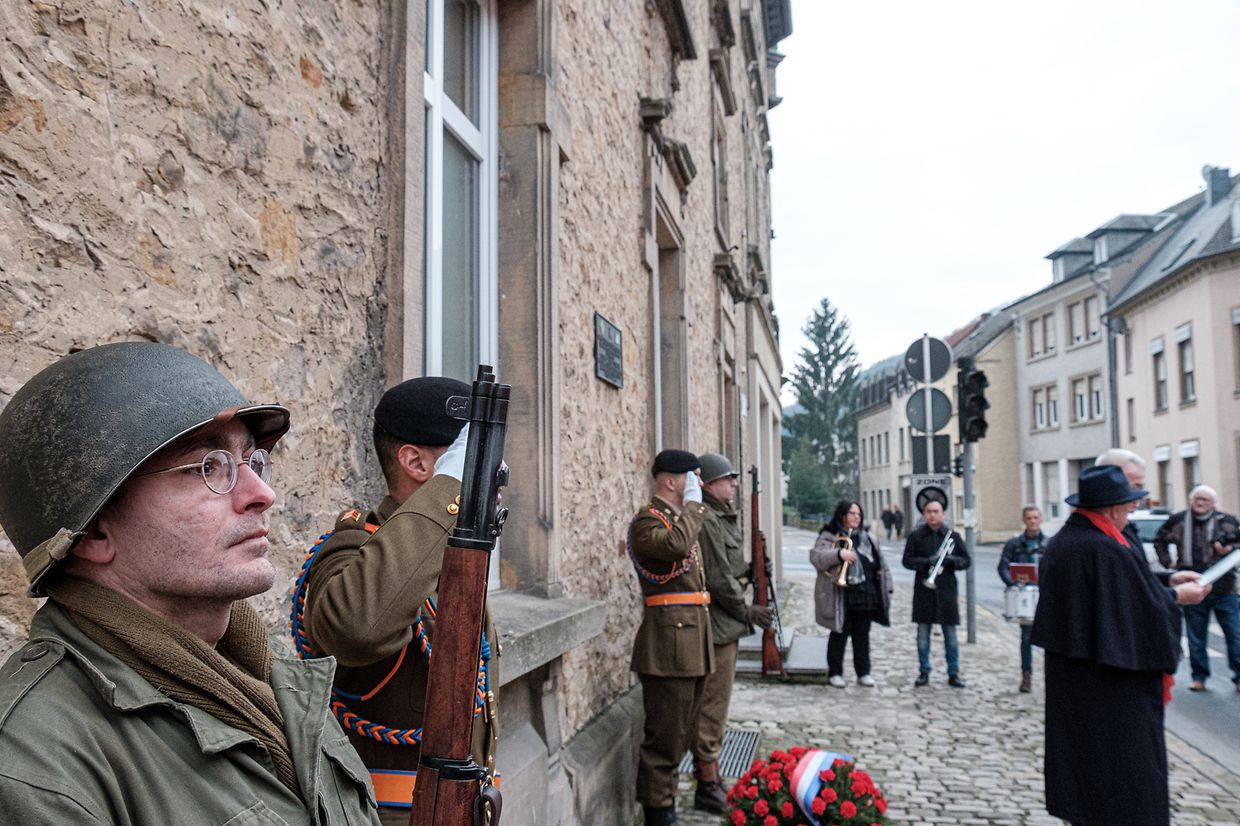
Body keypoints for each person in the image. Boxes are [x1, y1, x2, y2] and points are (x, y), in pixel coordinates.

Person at [0, 342, 380, 824]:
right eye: (208, 468)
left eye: (252, 461)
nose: (262, 493)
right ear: (95, 532)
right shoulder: (37, 763)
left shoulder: (271, 681)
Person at [296, 377, 498, 824]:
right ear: (417, 463)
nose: (496, 477)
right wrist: (451, 490)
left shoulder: (454, 558)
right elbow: (356, 625)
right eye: (477, 461)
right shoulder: (354, 548)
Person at [1031, 464, 1210, 826]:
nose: (1132, 511)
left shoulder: (1070, 539)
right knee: (1125, 777)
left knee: (1087, 771)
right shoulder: (1102, 546)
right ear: (1113, 509)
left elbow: (1124, 586)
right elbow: (1133, 604)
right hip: (1112, 686)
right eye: (1129, 505)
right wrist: (1178, 596)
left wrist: (1167, 579)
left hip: (1079, 679)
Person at [628, 449, 714, 826]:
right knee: (664, 740)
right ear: (669, 481)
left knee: (681, 735)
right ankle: (659, 813)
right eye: (691, 478)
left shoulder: (678, 521)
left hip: (691, 645)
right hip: (668, 648)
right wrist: (693, 507)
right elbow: (674, 547)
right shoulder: (648, 522)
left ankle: (668, 804)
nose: (697, 485)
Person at [689, 453, 772, 814]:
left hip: (725, 623)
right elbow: (719, 578)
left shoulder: (722, 517)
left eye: (735, 478)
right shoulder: (708, 520)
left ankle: (713, 777)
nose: (734, 483)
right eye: (727, 478)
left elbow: (732, 569)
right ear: (708, 484)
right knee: (712, 707)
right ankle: (707, 784)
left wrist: (756, 568)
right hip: (718, 625)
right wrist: (746, 611)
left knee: (717, 707)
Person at [1152, 485, 1240, 692]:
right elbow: (1159, 539)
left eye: (1205, 500)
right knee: (1196, 636)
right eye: (1197, 499)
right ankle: (1199, 677)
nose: (1200, 503)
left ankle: (1239, 677)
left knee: (1234, 634)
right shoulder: (1178, 520)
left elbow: (1237, 544)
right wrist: (1168, 563)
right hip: (1191, 585)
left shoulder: (1227, 521)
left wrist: (1229, 549)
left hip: (1224, 587)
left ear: (1213, 503)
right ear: (1191, 500)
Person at [811, 500, 893, 688]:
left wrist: (887, 587)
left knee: (862, 636)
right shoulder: (830, 536)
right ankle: (835, 672)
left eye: (859, 514)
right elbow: (817, 557)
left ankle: (863, 672)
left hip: (866, 593)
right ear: (842, 516)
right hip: (842, 594)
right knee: (839, 634)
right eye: (852, 514)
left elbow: (881, 564)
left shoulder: (868, 538)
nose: (857, 517)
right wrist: (839, 554)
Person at [902, 499, 970, 687]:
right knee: (923, 635)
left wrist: (951, 560)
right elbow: (907, 561)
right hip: (924, 591)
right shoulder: (916, 536)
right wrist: (926, 562)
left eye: (936, 511)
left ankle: (953, 673)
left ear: (943, 514)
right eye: (929, 511)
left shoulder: (953, 537)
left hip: (946, 591)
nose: (932, 515)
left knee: (951, 636)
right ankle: (924, 671)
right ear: (924, 514)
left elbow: (966, 561)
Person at [998, 506, 1047, 693]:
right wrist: (1013, 582)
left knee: (1050, 639)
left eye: (1035, 517)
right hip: (1024, 595)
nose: (1032, 521)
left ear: (1041, 519)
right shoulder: (1014, 544)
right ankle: (1026, 675)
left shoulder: (1049, 543)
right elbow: (1003, 566)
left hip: (1044, 594)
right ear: (1024, 520)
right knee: (1026, 638)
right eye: (1029, 518)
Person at [1096, 448, 1149, 553]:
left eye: (1140, 487)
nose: (1138, 496)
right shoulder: (1092, 541)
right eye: (1133, 487)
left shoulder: (1127, 529)